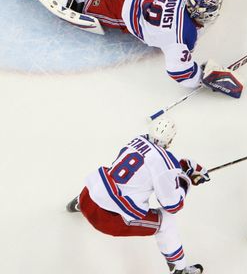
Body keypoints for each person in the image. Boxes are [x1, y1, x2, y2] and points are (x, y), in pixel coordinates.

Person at [8, 0, 245, 98]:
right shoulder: (182, 37)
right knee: (79, 5)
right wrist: (202, 77)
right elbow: (179, 72)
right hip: (129, 8)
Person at [66, 116, 210, 274]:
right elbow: (173, 205)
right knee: (166, 221)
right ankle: (181, 269)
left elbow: (149, 166)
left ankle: (77, 204)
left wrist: (177, 169)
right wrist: (185, 180)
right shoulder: (166, 166)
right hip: (109, 220)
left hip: (89, 197)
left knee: (109, 179)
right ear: (171, 138)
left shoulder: (137, 140)